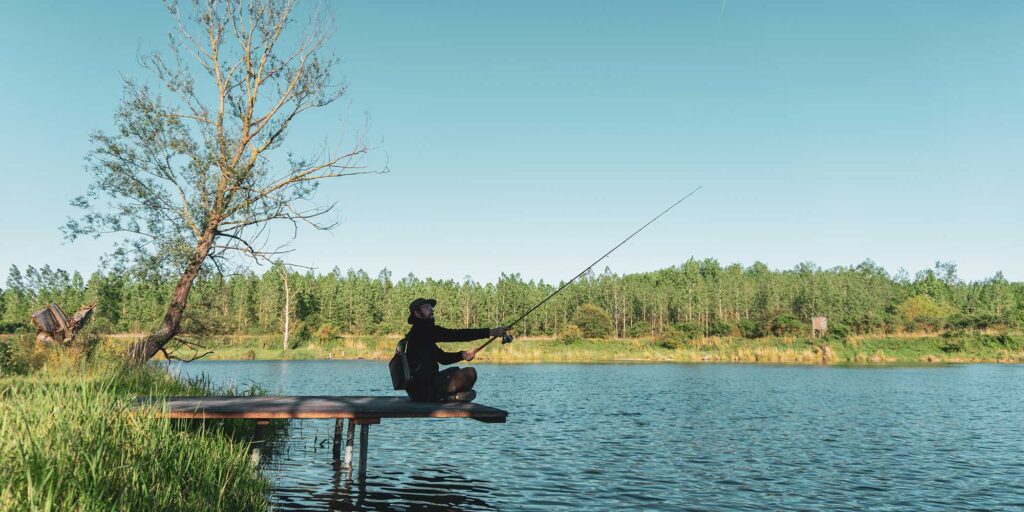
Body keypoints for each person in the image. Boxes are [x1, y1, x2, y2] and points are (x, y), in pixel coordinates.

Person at [403, 297, 509, 402]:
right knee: (470, 373)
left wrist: (462, 355)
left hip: (417, 391)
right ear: (417, 313)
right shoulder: (422, 331)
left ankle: (450, 397)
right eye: (426, 307)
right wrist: (490, 332)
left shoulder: (419, 333)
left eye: (430, 307)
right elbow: (457, 335)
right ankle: (449, 397)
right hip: (424, 391)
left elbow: (442, 358)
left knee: (456, 370)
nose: (431, 310)